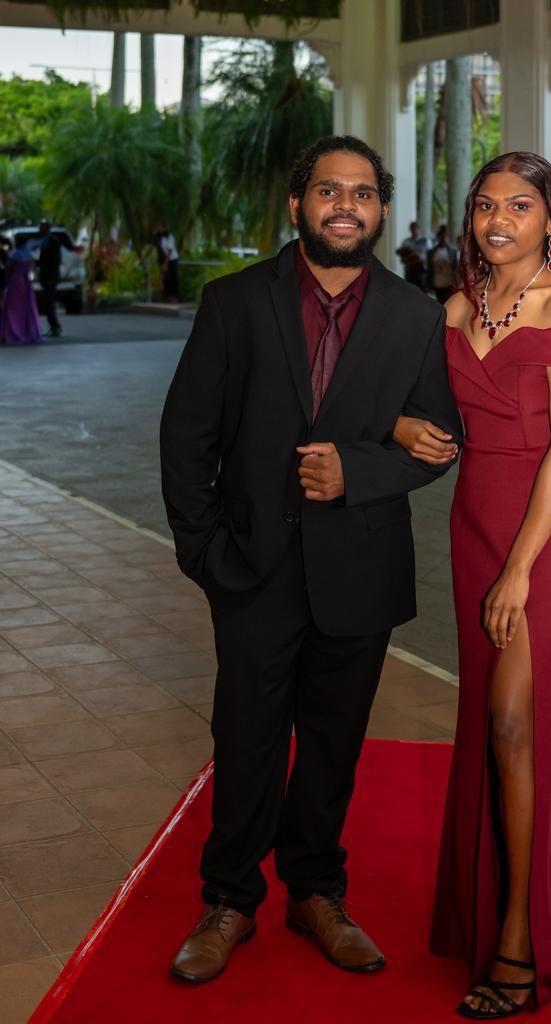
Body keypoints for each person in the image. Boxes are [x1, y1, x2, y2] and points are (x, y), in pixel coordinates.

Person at [160, 135, 462, 985]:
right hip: (250, 567)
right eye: (328, 190)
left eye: (362, 193)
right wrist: (204, 552)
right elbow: (187, 437)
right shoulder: (235, 303)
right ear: (297, 204)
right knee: (247, 735)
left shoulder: (414, 315)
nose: (344, 206)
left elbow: (441, 443)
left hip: (360, 570)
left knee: (333, 744)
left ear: (379, 210)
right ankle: (229, 900)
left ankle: (316, 893)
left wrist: (358, 469)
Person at [394, 151, 551, 1017]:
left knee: (517, 720)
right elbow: (422, 411)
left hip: (547, 531)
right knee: (488, 719)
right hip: (476, 521)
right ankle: (490, 914)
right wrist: (408, 426)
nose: (497, 220)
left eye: (519, 206)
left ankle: (520, 939)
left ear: (549, 218)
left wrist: (519, 570)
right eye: (485, 205)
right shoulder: (453, 307)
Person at [1, 235, 42, 345]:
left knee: (12, 308)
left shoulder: (16, 254)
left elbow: (7, 268)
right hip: (26, 282)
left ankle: (12, 331)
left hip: (15, 282)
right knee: (26, 308)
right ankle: (26, 331)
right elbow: (32, 269)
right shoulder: (28, 254)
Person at [37, 220, 67, 337]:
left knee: (49, 303)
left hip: (50, 277)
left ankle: (55, 326)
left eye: (41, 228)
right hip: (46, 276)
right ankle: (53, 326)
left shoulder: (53, 241)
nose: (39, 231)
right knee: (47, 302)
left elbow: (55, 260)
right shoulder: (45, 241)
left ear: (46, 229)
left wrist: (51, 276)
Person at [427, 223, 459, 303]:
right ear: (438, 238)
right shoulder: (432, 252)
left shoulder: (453, 252)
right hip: (437, 284)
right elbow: (429, 268)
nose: (443, 239)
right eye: (441, 237)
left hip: (449, 284)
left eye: (445, 237)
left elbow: (456, 267)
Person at [396, 220, 430, 290]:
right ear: (410, 230)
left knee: (422, 290)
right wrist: (410, 256)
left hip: (422, 269)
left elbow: (430, 256)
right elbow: (402, 258)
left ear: (419, 229)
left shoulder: (426, 241)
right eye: (413, 229)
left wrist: (418, 256)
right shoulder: (406, 242)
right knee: (410, 289)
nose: (415, 231)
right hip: (410, 269)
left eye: (416, 229)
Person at [158, 226, 180, 302]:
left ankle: (175, 297)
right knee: (166, 279)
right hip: (165, 261)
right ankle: (168, 296)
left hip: (173, 260)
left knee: (174, 278)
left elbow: (170, 251)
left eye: (161, 227)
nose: (159, 229)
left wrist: (165, 264)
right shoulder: (161, 238)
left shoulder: (170, 237)